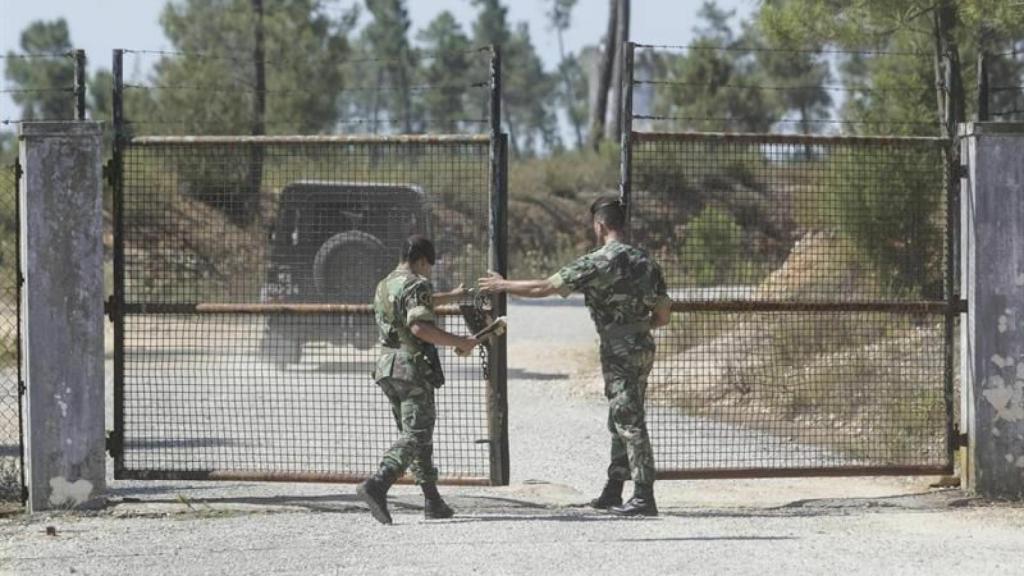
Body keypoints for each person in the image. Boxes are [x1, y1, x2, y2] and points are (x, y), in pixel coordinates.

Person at [478, 196, 671, 516]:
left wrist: (503, 285)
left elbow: (544, 287)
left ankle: (643, 495)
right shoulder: (645, 261)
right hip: (642, 345)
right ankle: (614, 489)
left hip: (617, 349)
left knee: (629, 420)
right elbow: (663, 314)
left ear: (600, 225)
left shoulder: (597, 262)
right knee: (621, 415)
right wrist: (638, 327)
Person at [357, 235, 479, 525]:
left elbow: (413, 303)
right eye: (429, 267)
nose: (429, 273)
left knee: (414, 436)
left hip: (388, 367)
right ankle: (378, 482)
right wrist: (460, 341)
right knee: (417, 434)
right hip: (411, 368)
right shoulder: (417, 282)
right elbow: (419, 326)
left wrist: (451, 296)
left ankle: (432, 500)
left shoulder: (386, 283)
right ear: (422, 260)